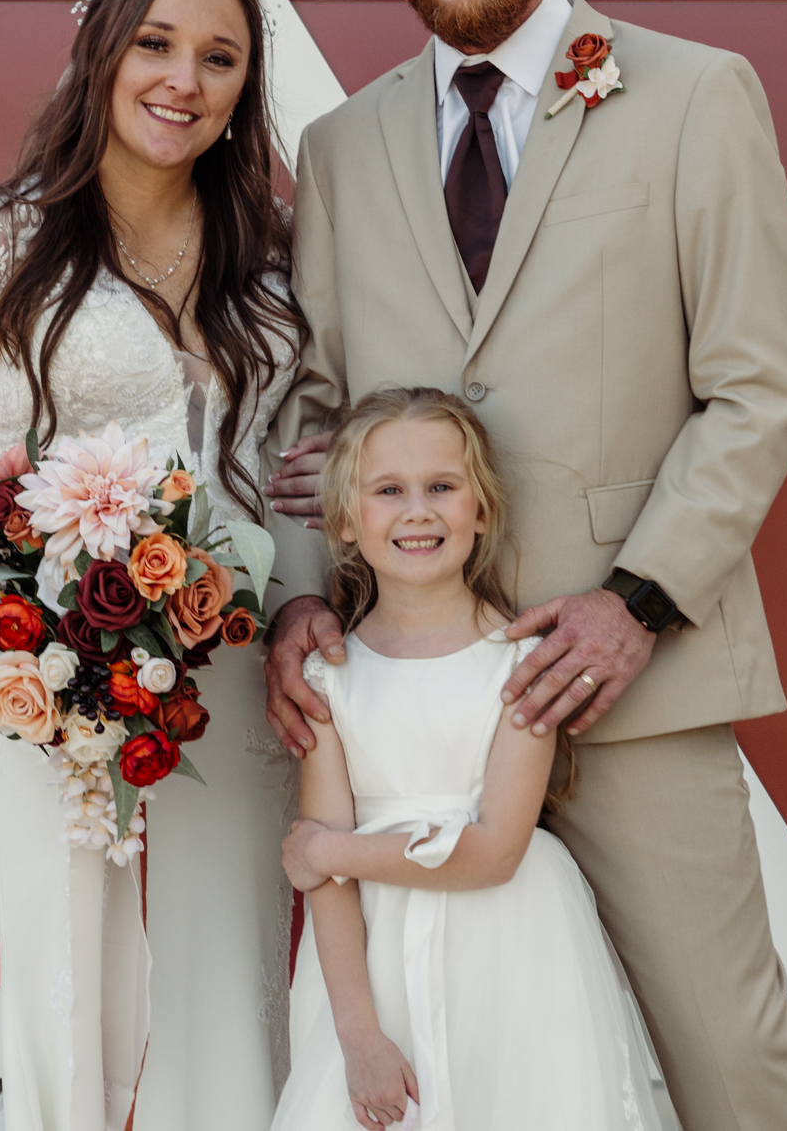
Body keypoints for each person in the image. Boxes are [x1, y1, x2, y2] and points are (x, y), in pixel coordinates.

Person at [261, 0, 787, 1131]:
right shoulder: (339, 148)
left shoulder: (694, 95)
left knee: (732, 1055)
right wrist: (296, 596)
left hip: (631, 670)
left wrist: (636, 603)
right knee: (441, 1056)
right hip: (406, 694)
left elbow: (756, 389)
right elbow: (313, 414)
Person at [0, 0, 306, 1131]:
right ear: (100, 55)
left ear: (244, 88)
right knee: (70, 956)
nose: (183, 79)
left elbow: (305, 448)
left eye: (219, 58)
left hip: (229, 647)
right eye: (155, 44)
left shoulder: (275, 243)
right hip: (47, 660)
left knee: (226, 947)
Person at [269, 387, 668, 1131]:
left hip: (507, 950)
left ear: (480, 510)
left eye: (442, 487)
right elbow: (326, 888)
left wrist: (331, 850)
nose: (418, 511)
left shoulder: (521, 666)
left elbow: (493, 853)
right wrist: (358, 1035)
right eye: (389, 490)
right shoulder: (327, 677)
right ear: (345, 520)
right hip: (372, 968)